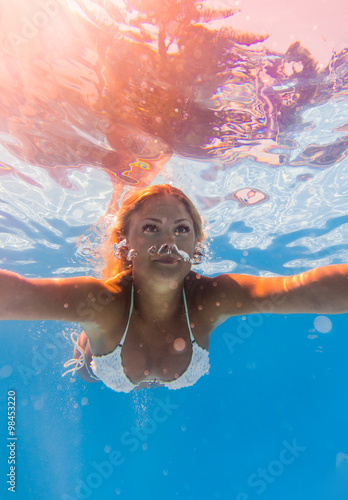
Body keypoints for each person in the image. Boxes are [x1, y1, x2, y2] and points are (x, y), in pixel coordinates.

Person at [1, 184, 347, 392]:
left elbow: (306, 290)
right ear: (125, 243)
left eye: (181, 230)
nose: (168, 243)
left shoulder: (212, 298)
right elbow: (17, 293)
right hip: (101, 360)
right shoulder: (103, 302)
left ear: (197, 245)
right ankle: (85, 347)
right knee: (86, 374)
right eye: (151, 228)